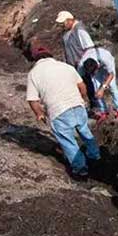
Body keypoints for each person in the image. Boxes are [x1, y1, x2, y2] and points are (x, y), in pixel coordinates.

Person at [26, 44, 100, 179]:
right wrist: (83, 100)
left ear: (35, 59)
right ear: (50, 55)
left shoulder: (33, 74)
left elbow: (32, 100)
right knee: (84, 131)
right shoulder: (66, 67)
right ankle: (95, 155)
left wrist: (40, 114)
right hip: (77, 105)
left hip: (58, 110)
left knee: (68, 141)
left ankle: (81, 169)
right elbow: (82, 86)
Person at [78, 46, 118, 121]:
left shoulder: (105, 58)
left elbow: (111, 75)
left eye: (94, 73)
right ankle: (103, 111)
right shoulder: (81, 66)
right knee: (96, 88)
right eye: (92, 74)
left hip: (105, 62)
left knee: (112, 86)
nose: (93, 75)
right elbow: (79, 81)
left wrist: (103, 88)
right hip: (94, 64)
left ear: (98, 66)